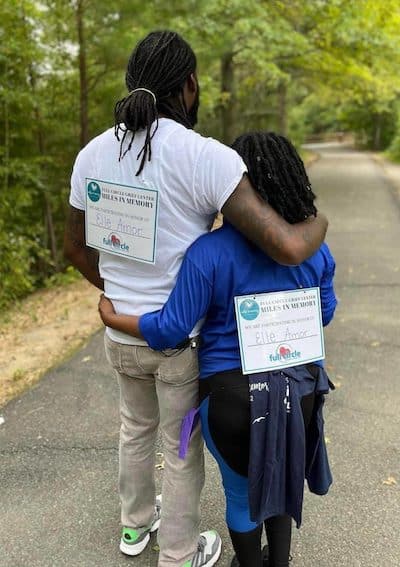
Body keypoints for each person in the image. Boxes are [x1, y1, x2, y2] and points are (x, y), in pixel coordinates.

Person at [64, 29, 329, 567]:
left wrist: (117, 296)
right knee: (180, 445)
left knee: (134, 429)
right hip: (179, 345)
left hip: (120, 333)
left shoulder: (91, 153)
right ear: (188, 86)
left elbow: (75, 247)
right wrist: (319, 221)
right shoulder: (207, 157)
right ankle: (181, 553)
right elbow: (285, 246)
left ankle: (135, 529)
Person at [98, 132, 337, 567]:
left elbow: (171, 328)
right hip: (296, 391)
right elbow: (324, 314)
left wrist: (117, 319)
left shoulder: (207, 252)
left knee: (241, 494)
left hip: (229, 399)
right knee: (282, 479)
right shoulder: (315, 252)